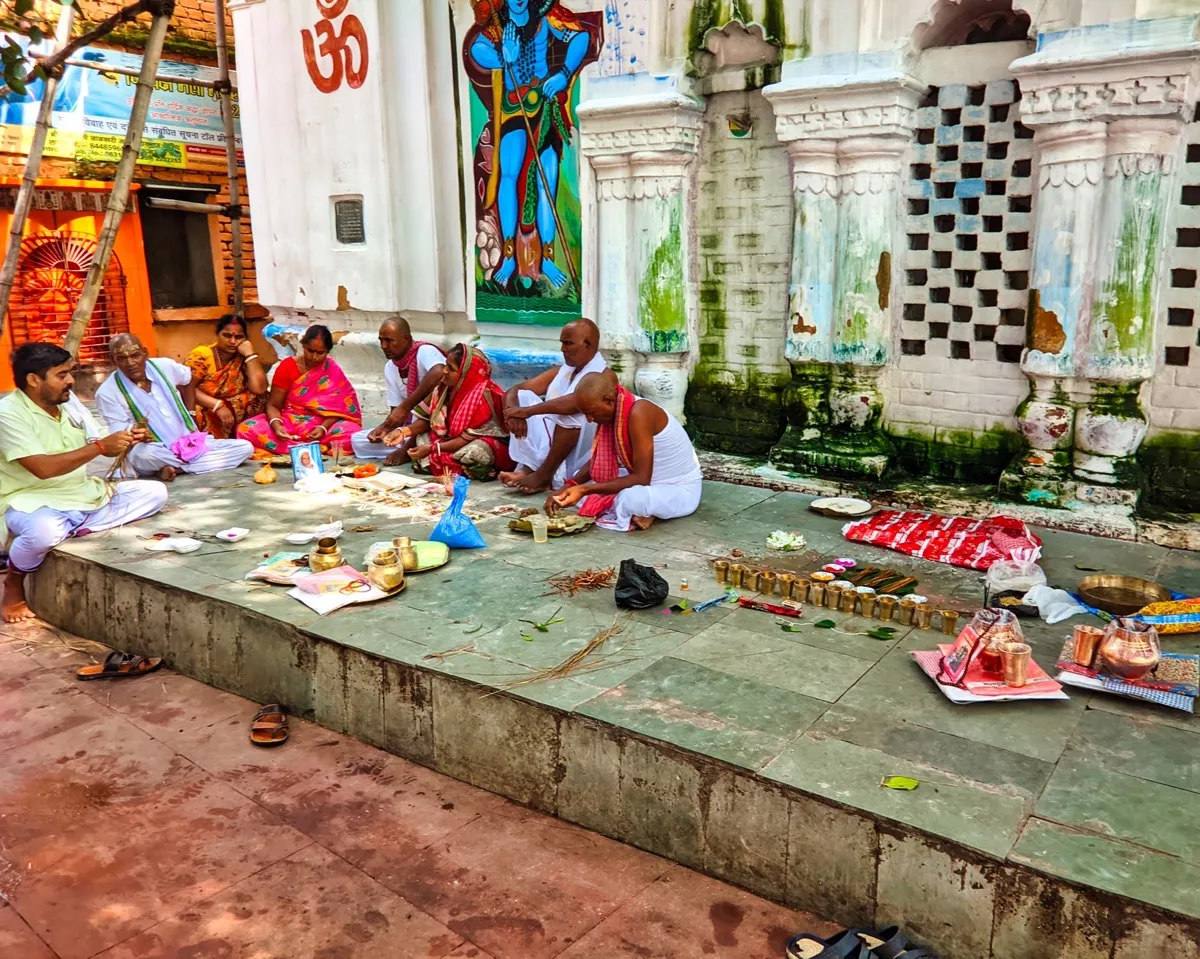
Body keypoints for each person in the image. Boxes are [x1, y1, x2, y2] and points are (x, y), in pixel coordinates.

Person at [0, 343, 167, 623]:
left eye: (70, 373)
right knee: (42, 533)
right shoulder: (7, 413)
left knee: (155, 493)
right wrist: (101, 447)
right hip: (28, 499)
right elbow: (41, 469)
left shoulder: (69, 404)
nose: (71, 381)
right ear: (33, 380)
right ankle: (13, 585)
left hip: (83, 493)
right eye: (62, 375)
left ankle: (74, 526)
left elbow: (98, 436)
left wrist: (128, 437)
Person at [546, 370, 702, 531]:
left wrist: (584, 489)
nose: (589, 420)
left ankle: (649, 511)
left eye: (591, 413)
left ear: (608, 401)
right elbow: (597, 462)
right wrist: (568, 488)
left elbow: (641, 479)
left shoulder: (639, 412)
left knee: (630, 499)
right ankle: (645, 511)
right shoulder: (617, 410)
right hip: (647, 484)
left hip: (678, 489)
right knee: (581, 479)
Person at [95, 334, 255, 482]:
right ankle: (180, 465)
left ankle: (174, 469)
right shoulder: (107, 392)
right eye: (121, 358)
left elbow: (188, 381)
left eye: (135, 356)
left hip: (187, 441)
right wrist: (135, 432)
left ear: (145, 353)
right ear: (113, 360)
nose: (130, 363)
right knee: (143, 456)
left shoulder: (164, 366)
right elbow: (119, 432)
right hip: (155, 448)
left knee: (245, 448)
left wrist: (191, 412)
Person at [498, 317, 606, 494]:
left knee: (569, 415)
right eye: (562, 343)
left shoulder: (603, 375)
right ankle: (530, 468)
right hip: (554, 440)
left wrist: (527, 412)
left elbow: (576, 402)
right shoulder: (561, 371)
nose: (563, 349)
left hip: (582, 450)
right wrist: (513, 412)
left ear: (588, 344)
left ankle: (544, 475)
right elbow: (515, 390)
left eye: (568, 343)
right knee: (523, 396)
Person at [237, 324, 363, 456]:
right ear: (303, 345)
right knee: (246, 428)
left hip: (320, 424)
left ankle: (295, 448)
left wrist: (323, 428)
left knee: (353, 433)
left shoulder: (331, 368)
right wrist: (277, 426)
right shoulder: (287, 366)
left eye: (320, 353)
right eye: (310, 350)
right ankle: (312, 448)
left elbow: (340, 410)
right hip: (290, 421)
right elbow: (273, 405)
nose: (314, 357)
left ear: (328, 351)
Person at [399, 343, 514, 481]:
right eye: (445, 365)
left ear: (465, 373)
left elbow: (466, 438)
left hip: (480, 442)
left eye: (451, 368)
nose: (445, 371)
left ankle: (451, 465)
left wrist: (432, 449)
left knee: (475, 451)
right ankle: (457, 467)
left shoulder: (483, 395)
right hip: (451, 441)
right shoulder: (444, 388)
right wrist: (402, 432)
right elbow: (426, 419)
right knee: (421, 438)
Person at [350, 317, 446, 464]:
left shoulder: (424, 351)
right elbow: (397, 413)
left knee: (422, 433)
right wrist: (385, 428)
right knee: (357, 440)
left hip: (437, 422)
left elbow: (439, 371)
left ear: (405, 339)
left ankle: (409, 449)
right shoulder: (390, 367)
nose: (383, 346)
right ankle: (409, 447)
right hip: (410, 429)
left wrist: (406, 406)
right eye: (381, 340)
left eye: (389, 340)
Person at [185, 314, 268, 438]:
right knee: (199, 414)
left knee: (262, 398)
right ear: (217, 334)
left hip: (230, 407)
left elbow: (259, 389)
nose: (233, 341)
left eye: (239, 337)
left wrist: (250, 355)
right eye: (227, 335)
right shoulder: (202, 354)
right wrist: (217, 405)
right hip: (203, 405)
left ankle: (243, 435)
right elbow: (186, 387)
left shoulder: (242, 357)